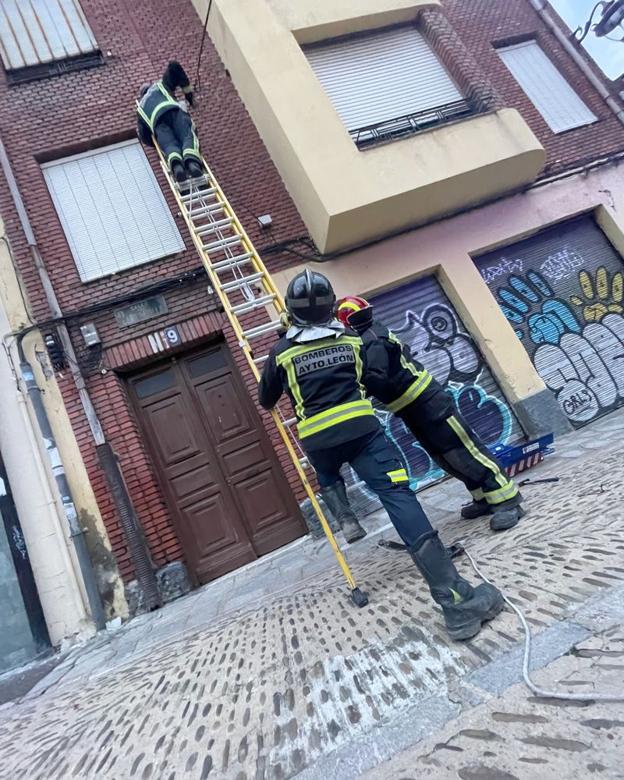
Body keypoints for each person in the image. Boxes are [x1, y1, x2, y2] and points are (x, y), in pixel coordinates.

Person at [258, 270, 503, 641]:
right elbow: (364, 382)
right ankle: (457, 604)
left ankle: (343, 511)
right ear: (331, 310)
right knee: (398, 498)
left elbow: (266, 399)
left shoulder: (281, 354)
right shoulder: (353, 343)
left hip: (317, 442)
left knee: (327, 474)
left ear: (291, 313)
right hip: (362, 433)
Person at [336, 296, 524, 532]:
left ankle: (508, 501)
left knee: (465, 449)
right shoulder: (368, 336)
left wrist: (349, 385)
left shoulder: (371, 340)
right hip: (410, 408)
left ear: (345, 324)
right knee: (446, 456)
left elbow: (376, 376)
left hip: (428, 402)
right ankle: (484, 496)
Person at [137, 60, 204, 183]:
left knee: (169, 145)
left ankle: (177, 167)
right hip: (174, 112)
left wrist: (155, 139)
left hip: (158, 125)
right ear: (150, 86)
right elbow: (174, 65)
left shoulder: (140, 109)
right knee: (187, 136)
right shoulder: (160, 86)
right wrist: (189, 96)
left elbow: (144, 137)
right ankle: (192, 163)